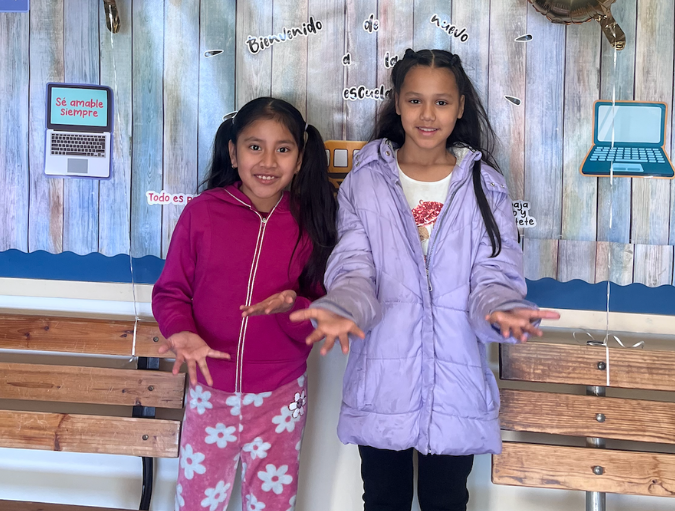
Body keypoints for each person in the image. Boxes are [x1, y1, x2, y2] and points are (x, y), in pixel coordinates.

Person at [290, 48, 559, 511]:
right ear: (397, 103)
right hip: (382, 383)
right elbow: (353, 268)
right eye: (415, 100)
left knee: (447, 501)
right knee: (383, 500)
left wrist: (501, 308)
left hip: (458, 386)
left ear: (460, 107)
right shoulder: (365, 182)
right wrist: (343, 306)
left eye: (442, 102)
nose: (428, 115)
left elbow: (493, 273)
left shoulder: (485, 185)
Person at [152, 97, 337, 511]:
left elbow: (321, 311)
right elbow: (170, 291)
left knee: (273, 502)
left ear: (300, 158)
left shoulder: (312, 221)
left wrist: (292, 307)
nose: (268, 161)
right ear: (233, 153)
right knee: (197, 502)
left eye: (283, 149)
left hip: (281, 394)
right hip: (209, 389)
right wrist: (181, 331)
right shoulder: (203, 213)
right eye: (255, 147)